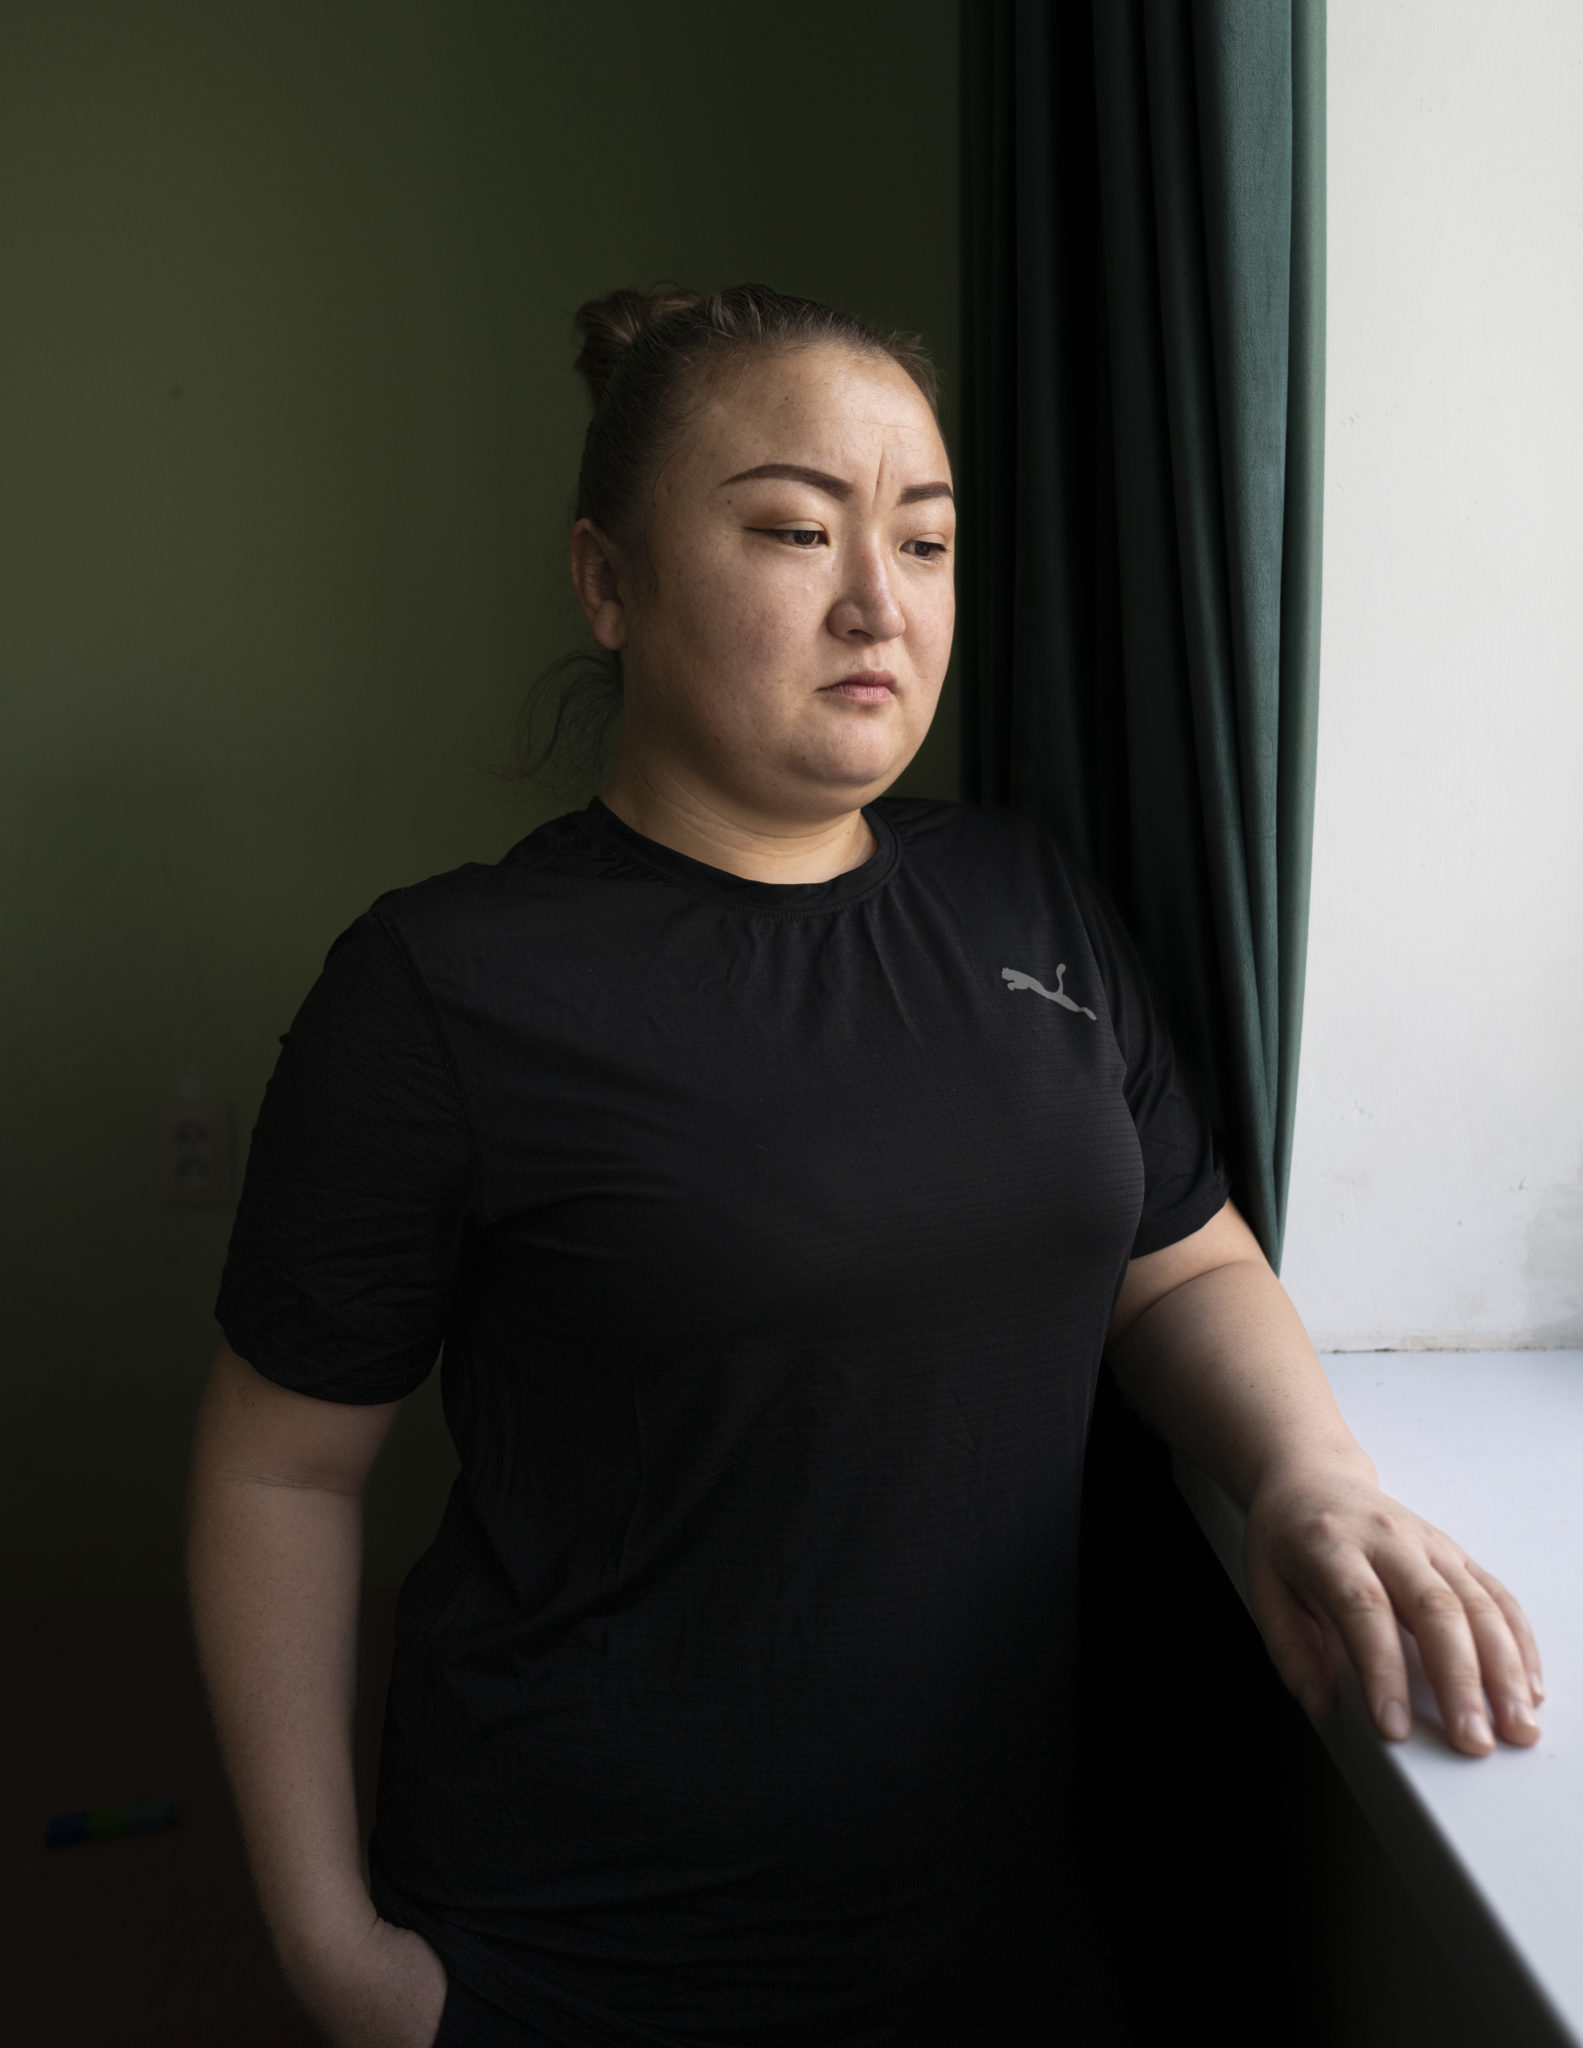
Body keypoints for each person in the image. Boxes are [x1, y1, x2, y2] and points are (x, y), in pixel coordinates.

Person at [185, 283, 1545, 2048]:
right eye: (791, 530)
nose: (876, 603)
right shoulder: (442, 989)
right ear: (607, 582)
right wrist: (327, 1947)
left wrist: (1312, 1477)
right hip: (584, 1955)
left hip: (1002, 1931)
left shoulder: (1020, 897)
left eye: (925, 540)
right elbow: (281, 1472)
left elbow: (1184, 1262)